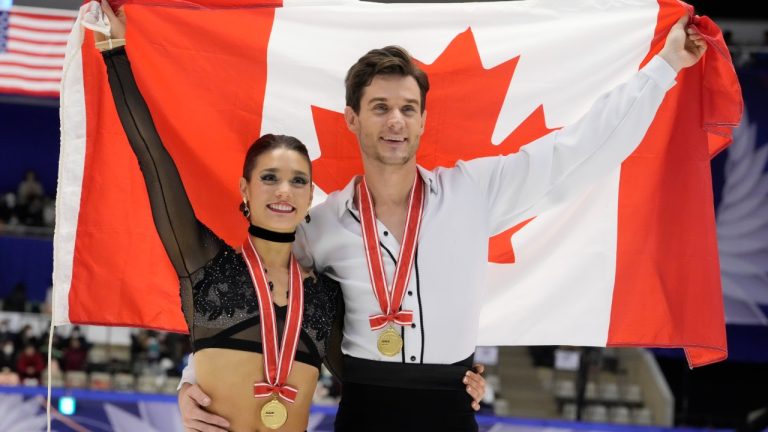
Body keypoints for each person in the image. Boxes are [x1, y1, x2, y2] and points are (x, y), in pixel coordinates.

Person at [177, 9, 707, 432]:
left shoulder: (473, 191)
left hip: (451, 409)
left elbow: (580, 148)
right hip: (365, 411)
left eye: (408, 108)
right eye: (380, 107)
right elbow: (255, 299)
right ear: (353, 119)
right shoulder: (322, 225)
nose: (395, 121)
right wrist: (191, 382)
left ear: (424, 119)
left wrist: (664, 67)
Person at [90, 3, 485, 431]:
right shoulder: (205, 265)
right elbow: (153, 160)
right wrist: (115, 51)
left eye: (298, 181)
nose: (284, 190)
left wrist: (454, 382)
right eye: (270, 177)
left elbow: (376, 378)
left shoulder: (323, 294)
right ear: (245, 189)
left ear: (310, 195)